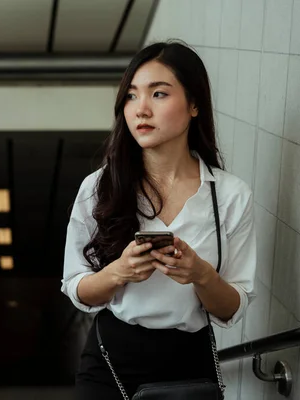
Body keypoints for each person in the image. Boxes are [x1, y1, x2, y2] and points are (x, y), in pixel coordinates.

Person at [61, 40, 256, 399]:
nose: (141, 110)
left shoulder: (230, 195)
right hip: (110, 359)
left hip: (189, 361)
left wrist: (200, 274)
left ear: (195, 104)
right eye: (132, 96)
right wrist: (119, 272)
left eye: (159, 94)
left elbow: (232, 307)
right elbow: (76, 288)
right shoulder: (99, 187)